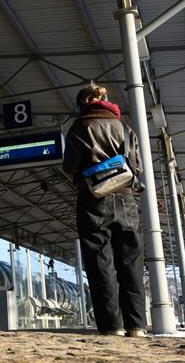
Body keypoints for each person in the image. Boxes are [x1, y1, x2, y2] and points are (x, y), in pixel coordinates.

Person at [62, 83, 147, 337]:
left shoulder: (80, 127)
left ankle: (112, 326)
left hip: (94, 199)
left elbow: (70, 166)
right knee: (131, 262)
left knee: (100, 262)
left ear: (82, 104)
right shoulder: (125, 128)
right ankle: (137, 326)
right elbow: (137, 166)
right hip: (126, 198)